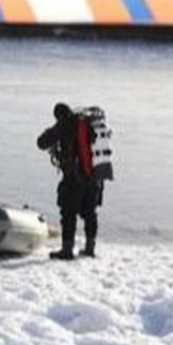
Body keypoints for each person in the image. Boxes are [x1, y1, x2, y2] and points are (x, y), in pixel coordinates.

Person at [37, 102, 101, 259]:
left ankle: (67, 250)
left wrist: (53, 130)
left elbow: (41, 142)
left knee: (68, 213)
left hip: (74, 178)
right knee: (90, 213)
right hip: (94, 176)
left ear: (59, 116)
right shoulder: (88, 124)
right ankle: (90, 249)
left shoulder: (64, 125)